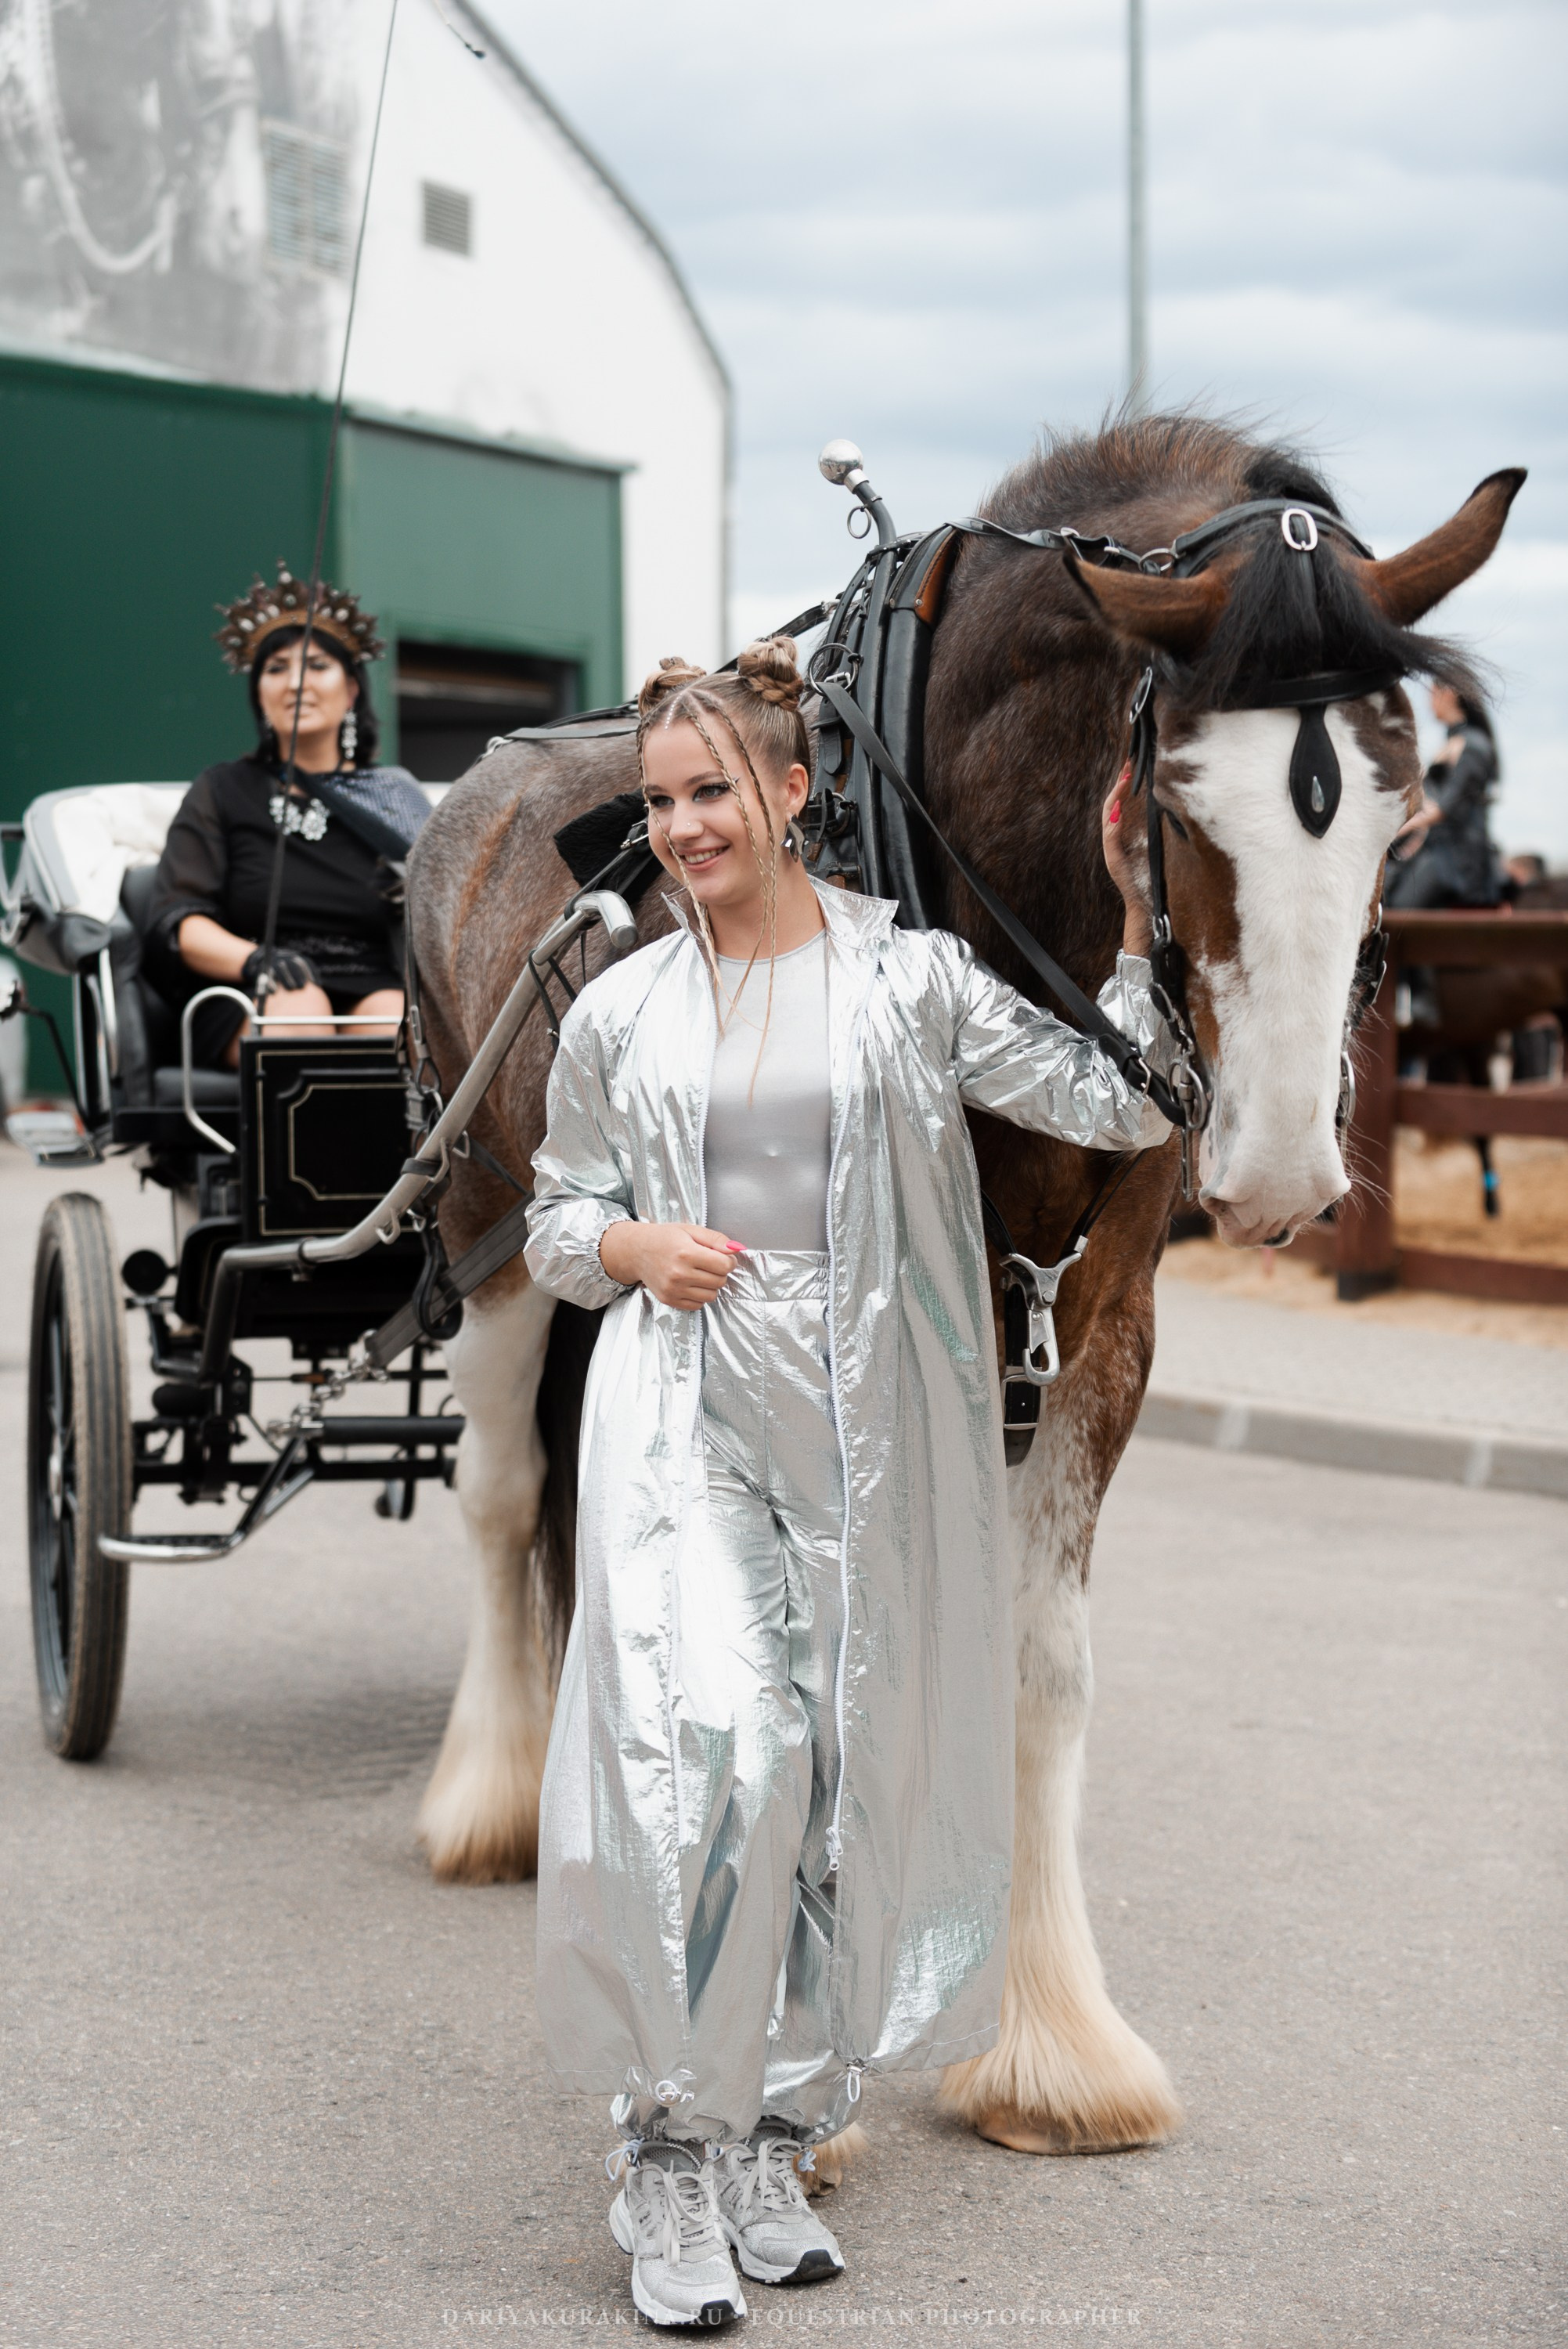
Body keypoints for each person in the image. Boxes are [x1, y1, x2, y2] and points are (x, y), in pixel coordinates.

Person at [521, 637, 1177, 2327]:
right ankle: (667, 2151)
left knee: (836, 1773)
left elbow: (1113, 1103)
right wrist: (626, 1246)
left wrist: (1130, 918)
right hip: (683, 1407)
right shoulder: (619, 1007)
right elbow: (555, 1219)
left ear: (792, 792)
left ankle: (779, 2128)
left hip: (869, 1409)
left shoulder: (911, 983)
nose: (682, 827)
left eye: (712, 792)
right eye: (660, 801)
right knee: (715, 1757)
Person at [145, 565, 431, 1068]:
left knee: (397, 1028)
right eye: (277, 668)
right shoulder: (222, 790)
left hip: (373, 980)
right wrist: (255, 959)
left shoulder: (394, 796)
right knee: (300, 1010)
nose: (297, 683)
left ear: (351, 689)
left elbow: (443, 912)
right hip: (252, 983)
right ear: (259, 693)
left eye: (317, 665)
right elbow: (182, 920)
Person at [1385, 682, 1502, 911]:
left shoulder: (1473, 744)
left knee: (1400, 906)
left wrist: (1393, 833)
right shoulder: (1454, 742)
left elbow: (1444, 808)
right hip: (1436, 849)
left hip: (1457, 857)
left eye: (1432, 693)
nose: (1428, 701)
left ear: (1450, 693)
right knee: (1388, 896)